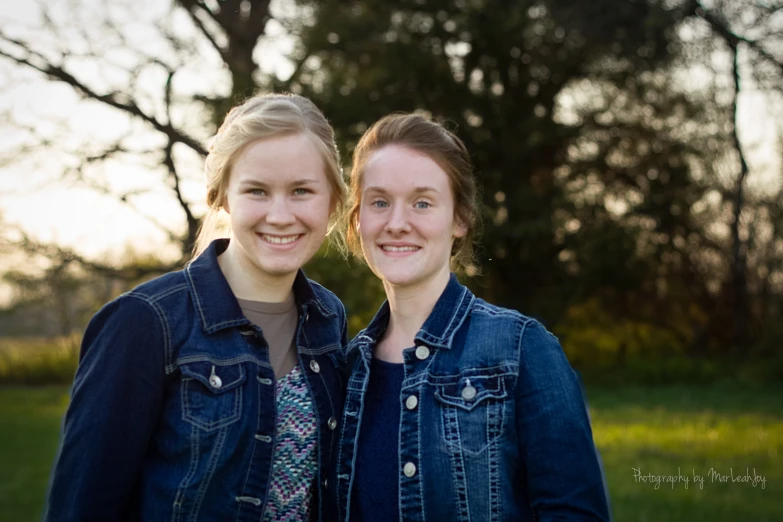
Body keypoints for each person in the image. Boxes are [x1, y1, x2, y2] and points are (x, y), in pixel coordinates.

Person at [45, 93, 348, 522]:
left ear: (332, 199)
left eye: (302, 191)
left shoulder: (328, 318)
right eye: (257, 191)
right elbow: (81, 506)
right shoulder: (146, 321)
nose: (280, 215)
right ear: (221, 196)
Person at [332, 113, 610, 521]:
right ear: (358, 219)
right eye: (379, 202)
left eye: (422, 203)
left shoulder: (521, 349)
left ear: (459, 218)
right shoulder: (346, 369)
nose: (396, 223)